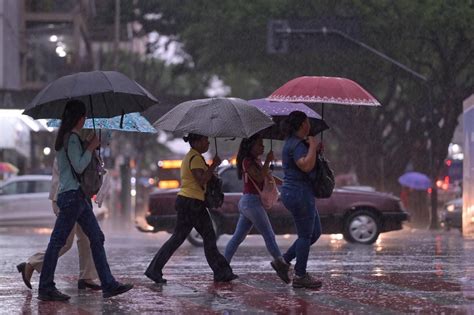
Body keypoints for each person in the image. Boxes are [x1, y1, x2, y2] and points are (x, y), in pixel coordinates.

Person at [37, 99, 133, 301]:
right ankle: (46, 287)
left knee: (96, 237)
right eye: (84, 116)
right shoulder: (70, 138)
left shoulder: (66, 137)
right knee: (58, 242)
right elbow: (79, 166)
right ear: (78, 118)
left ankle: (108, 283)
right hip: (72, 196)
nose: (85, 120)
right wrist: (90, 147)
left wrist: (92, 144)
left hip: (77, 197)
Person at [145, 133, 238, 283]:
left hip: (190, 202)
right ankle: (221, 272)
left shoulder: (194, 157)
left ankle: (154, 270)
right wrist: (213, 165)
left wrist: (212, 169)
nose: (208, 143)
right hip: (192, 203)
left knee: (178, 238)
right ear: (197, 142)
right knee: (208, 236)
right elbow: (201, 180)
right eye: (205, 140)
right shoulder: (194, 158)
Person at [17, 157, 100, 291]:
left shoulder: (79, 146)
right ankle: (32, 263)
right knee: (65, 242)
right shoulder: (70, 145)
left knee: (87, 237)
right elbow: (75, 170)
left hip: (79, 197)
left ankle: (86, 276)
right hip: (67, 198)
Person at [224, 134, 290, 283]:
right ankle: (280, 265)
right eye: (259, 144)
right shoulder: (247, 162)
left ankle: (222, 267)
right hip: (250, 203)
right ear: (250, 146)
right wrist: (267, 160)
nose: (263, 147)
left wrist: (287, 183)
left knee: (238, 237)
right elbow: (260, 177)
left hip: (251, 203)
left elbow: (268, 177)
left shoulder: (256, 161)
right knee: (269, 234)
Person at [280, 111, 322, 289]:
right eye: (307, 122)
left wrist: (314, 150)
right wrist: (312, 147)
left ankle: (283, 261)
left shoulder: (294, 142)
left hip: (297, 192)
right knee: (305, 235)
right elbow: (305, 165)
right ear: (303, 124)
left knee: (315, 232)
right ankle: (300, 275)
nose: (309, 125)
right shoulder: (297, 144)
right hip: (300, 193)